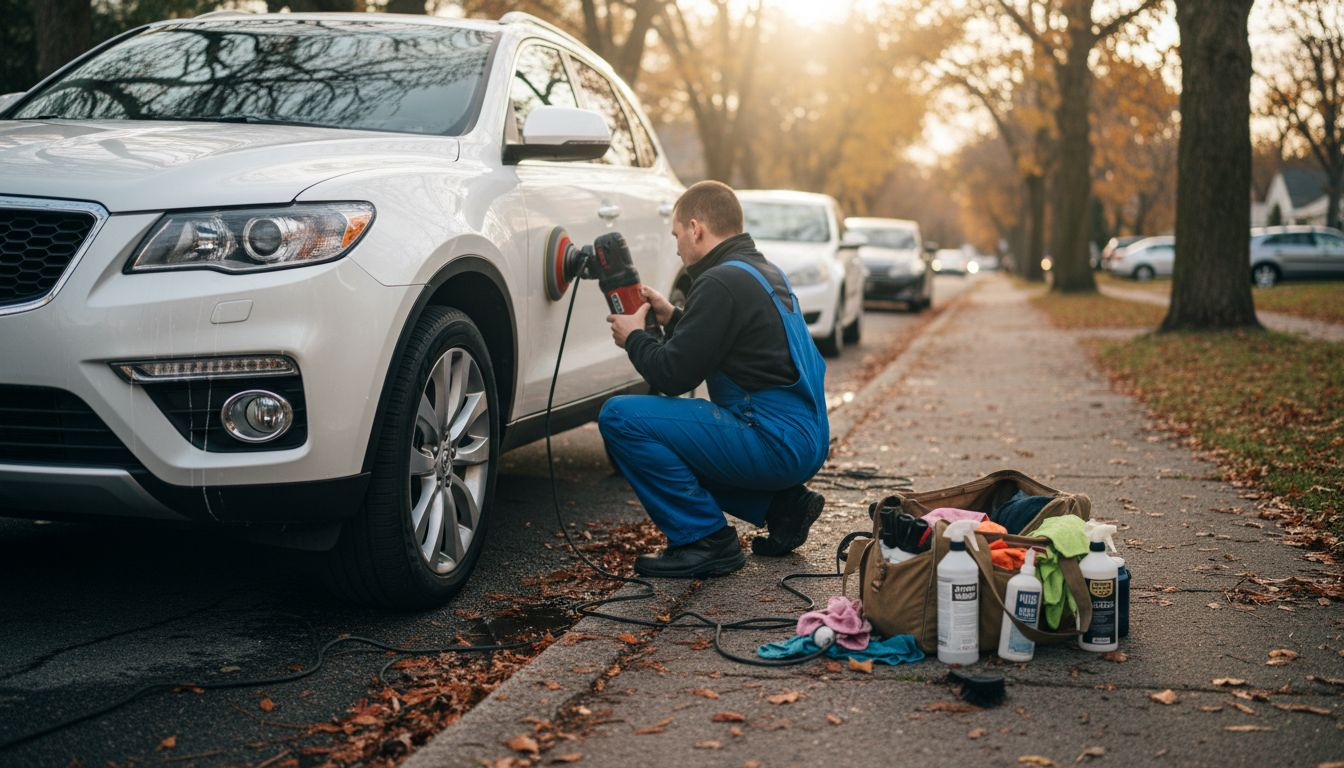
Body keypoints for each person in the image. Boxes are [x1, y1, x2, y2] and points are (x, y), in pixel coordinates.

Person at [599, 180, 830, 578]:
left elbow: (672, 375)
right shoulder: (759, 271)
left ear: (695, 228)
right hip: (805, 438)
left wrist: (633, 338)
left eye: (676, 235)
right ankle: (782, 508)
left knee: (620, 417)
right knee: (680, 438)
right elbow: (727, 344)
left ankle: (705, 540)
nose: (676, 247)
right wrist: (672, 316)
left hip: (774, 440)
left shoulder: (719, 282)